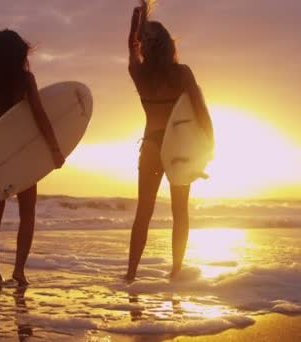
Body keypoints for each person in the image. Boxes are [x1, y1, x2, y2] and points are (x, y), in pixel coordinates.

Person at [125, 1, 214, 281]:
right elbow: (199, 110)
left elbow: (132, 49)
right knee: (180, 211)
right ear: (168, 45)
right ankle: (175, 271)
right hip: (179, 149)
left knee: (144, 212)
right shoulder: (182, 73)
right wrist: (209, 146)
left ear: (145, 46)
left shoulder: (139, 74)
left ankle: (130, 273)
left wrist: (135, 31)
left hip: (151, 146)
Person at [0, 29, 65, 287]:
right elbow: (39, 114)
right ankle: (19, 271)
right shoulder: (25, 80)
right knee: (27, 213)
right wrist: (55, 149)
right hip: (24, 152)